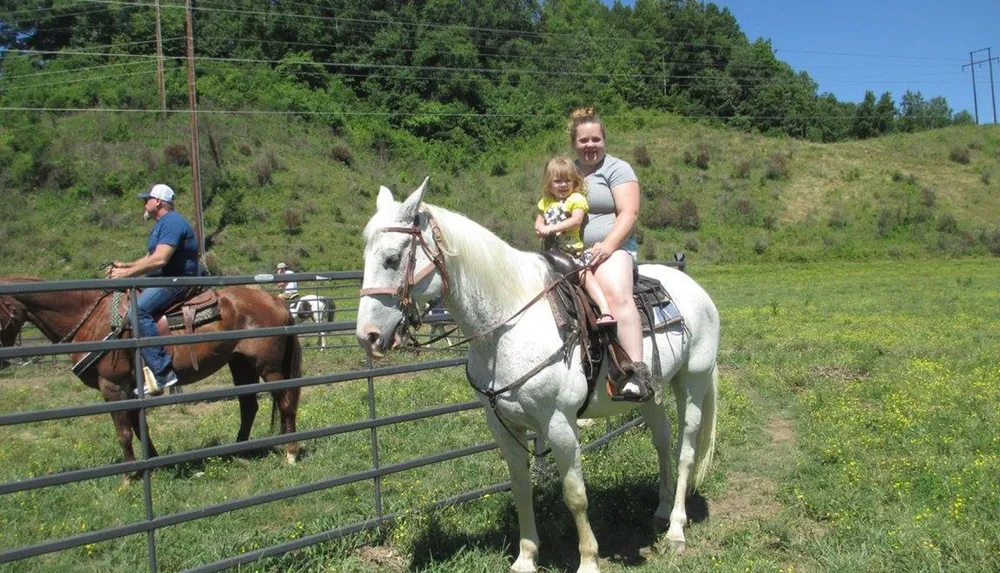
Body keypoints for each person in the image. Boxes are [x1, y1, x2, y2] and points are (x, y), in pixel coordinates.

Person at [569, 108, 650, 399]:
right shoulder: (568, 172)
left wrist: (608, 245)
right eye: (583, 140)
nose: (590, 145)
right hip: (572, 251)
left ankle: (636, 373)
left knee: (616, 294)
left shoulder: (618, 169)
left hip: (613, 247)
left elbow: (629, 211)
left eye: (595, 139)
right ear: (574, 143)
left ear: (604, 141)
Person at [107, 184, 200, 396]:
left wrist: (126, 275)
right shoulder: (163, 224)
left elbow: (160, 259)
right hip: (165, 279)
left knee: (137, 311)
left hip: (177, 281)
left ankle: (162, 372)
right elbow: (151, 258)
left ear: (157, 201)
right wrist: (127, 266)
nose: (144, 203)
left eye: (146, 199)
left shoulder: (172, 222)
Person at [534, 156, 616, 331]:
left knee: (584, 275)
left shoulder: (576, 199)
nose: (563, 185)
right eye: (557, 181)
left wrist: (552, 228)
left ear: (574, 182)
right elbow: (539, 220)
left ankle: (605, 309)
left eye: (567, 181)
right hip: (550, 252)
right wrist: (540, 227)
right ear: (549, 184)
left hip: (571, 251)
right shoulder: (546, 202)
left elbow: (576, 220)